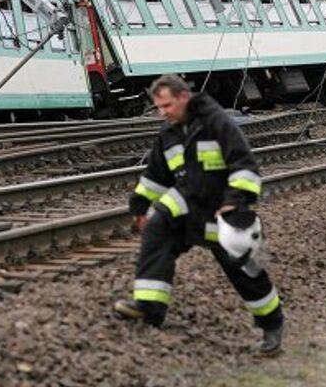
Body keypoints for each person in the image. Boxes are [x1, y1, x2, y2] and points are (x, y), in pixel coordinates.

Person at [113, 74, 285, 354]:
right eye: (158, 107)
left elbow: (245, 167)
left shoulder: (217, 123)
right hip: (184, 209)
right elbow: (155, 177)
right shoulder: (168, 133)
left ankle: (272, 326)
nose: (162, 113)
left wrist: (234, 202)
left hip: (221, 212)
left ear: (184, 97)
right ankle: (148, 308)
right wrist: (140, 206)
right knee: (157, 233)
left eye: (167, 105)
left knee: (246, 269)